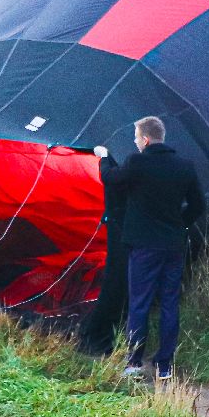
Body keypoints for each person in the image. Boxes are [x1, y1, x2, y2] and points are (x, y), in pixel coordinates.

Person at [94, 116, 203, 381]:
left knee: (139, 303)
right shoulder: (184, 166)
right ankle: (164, 365)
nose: (134, 142)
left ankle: (133, 362)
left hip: (144, 247)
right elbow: (198, 206)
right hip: (173, 246)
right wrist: (180, 226)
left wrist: (104, 156)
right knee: (169, 303)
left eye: (135, 138)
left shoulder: (137, 162)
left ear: (145, 139)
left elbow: (110, 179)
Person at [76, 147, 129, 357]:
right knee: (121, 283)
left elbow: (109, 177)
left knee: (116, 283)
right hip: (130, 232)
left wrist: (104, 157)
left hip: (123, 231)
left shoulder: (128, 167)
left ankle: (101, 337)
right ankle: (105, 337)